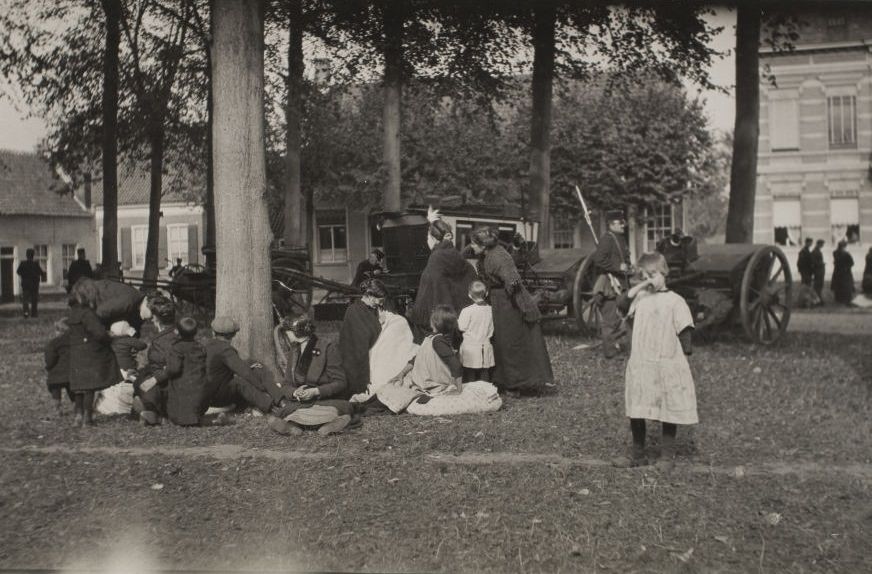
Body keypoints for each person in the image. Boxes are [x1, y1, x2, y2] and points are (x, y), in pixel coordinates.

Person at [613, 252, 697, 472]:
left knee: (667, 407)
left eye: (652, 275)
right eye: (644, 275)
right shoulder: (641, 299)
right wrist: (638, 288)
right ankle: (637, 453)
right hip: (642, 361)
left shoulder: (675, 301)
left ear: (664, 273)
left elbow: (685, 329)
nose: (649, 279)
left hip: (666, 361)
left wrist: (684, 354)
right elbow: (621, 304)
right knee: (638, 406)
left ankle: (666, 455)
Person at [468, 227, 553, 395]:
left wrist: (508, 290)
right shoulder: (491, 253)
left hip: (509, 304)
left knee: (510, 342)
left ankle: (517, 383)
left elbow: (512, 280)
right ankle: (507, 380)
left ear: (483, 245)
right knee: (502, 341)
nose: (471, 247)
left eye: (473, 243)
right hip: (500, 300)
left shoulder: (497, 256)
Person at [382, 305, 502, 416]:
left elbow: (455, 366)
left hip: (430, 383)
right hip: (425, 381)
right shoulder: (434, 339)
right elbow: (417, 359)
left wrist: (458, 390)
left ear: (433, 322)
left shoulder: (435, 340)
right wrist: (401, 374)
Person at [267, 315, 357, 436]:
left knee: (331, 409)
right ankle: (297, 426)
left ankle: (325, 425)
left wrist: (316, 391)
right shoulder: (294, 350)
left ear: (296, 332)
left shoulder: (327, 347)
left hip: (324, 400)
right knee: (291, 410)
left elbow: (341, 382)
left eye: (288, 331)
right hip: (302, 403)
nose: (286, 334)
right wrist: (295, 392)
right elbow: (286, 384)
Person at [408, 207, 477, 343]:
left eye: (428, 236)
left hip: (438, 322)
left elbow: (426, 296)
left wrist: (415, 314)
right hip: (457, 320)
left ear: (434, 239)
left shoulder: (436, 258)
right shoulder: (457, 256)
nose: (427, 240)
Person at [202, 316, 286, 415]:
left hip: (205, 393)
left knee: (250, 364)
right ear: (232, 335)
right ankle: (272, 407)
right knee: (240, 383)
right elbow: (244, 372)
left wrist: (250, 364)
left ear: (213, 332)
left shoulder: (206, 345)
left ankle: (277, 399)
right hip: (216, 397)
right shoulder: (225, 350)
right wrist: (261, 387)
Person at [67, 279, 119, 427]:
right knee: (89, 387)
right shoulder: (88, 314)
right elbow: (99, 334)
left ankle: (78, 415)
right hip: (90, 353)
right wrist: (109, 337)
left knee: (79, 387)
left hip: (77, 352)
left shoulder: (73, 313)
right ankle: (87, 417)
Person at [144, 317, 211, 426]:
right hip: (200, 392)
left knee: (165, 391)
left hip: (181, 395)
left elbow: (174, 369)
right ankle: (197, 418)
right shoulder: (200, 347)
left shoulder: (177, 348)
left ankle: (161, 418)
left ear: (177, 331)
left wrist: (158, 377)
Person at [592, 210, 632, 358]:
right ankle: (610, 352)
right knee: (609, 318)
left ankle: (618, 345)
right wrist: (618, 267)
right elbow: (599, 260)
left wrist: (628, 267)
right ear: (611, 224)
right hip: (609, 284)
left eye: (623, 222)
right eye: (620, 222)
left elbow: (624, 259)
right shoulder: (607, 239)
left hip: (621, 283)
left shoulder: (620, 238)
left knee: (621, 316)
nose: (623, 225)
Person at [339, 279, 385, 398]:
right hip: (358, 365)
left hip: (371, 357)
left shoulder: (372, 309)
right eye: (379, 300)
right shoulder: (354, 311)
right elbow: (361, 345)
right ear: (369, 296)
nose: (380, 304)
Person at [457, 280, 494, 383]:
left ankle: (471, 393)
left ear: (469, 295)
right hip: (485, 345)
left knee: (470, 373)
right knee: (485, 371)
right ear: (486, 294)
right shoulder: (491, 310)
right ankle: (487, 392)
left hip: (470, 346)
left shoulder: (467, 311)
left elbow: (461, 327)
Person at [44, 318, 74, 416]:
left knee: (55, 386)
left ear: (60, 331)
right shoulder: (74, 341)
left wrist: (49, 367)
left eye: (57, 330)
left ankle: (57, 407)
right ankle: (76, 404)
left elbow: (50, 359)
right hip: (72, 371)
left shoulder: (53, 343)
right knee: (72, 388)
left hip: (57, 373)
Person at [16, 248, 43, 318]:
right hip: (34, 285)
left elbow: (18, 272)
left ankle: (26, 314)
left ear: (26, 255)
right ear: (33, 255)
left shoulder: (23, 263)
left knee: (25, 300)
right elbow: (41, 273)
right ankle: (34, 314)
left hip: (25, 284)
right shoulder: (35, 264)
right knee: (34, 300)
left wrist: (24, 275)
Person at [831, 240, 855, 305]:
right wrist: (847, 267)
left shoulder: (835, 253)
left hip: (838, 271)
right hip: (845, 272)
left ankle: (839, 298)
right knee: (846, 285)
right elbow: (852, 263)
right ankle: (845, 298)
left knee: (838, 285)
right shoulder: (846, 254)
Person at [811, 239, 826, 305]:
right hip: (818, 271)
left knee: (819, 286)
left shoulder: (816, 251)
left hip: (819, 271)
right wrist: (821, 264)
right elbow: (814, 262)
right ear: (819, 244)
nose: (822, 246)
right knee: (818, 286)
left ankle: (818, 299)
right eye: (822, 244)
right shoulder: (815, 251)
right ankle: (818, 300)